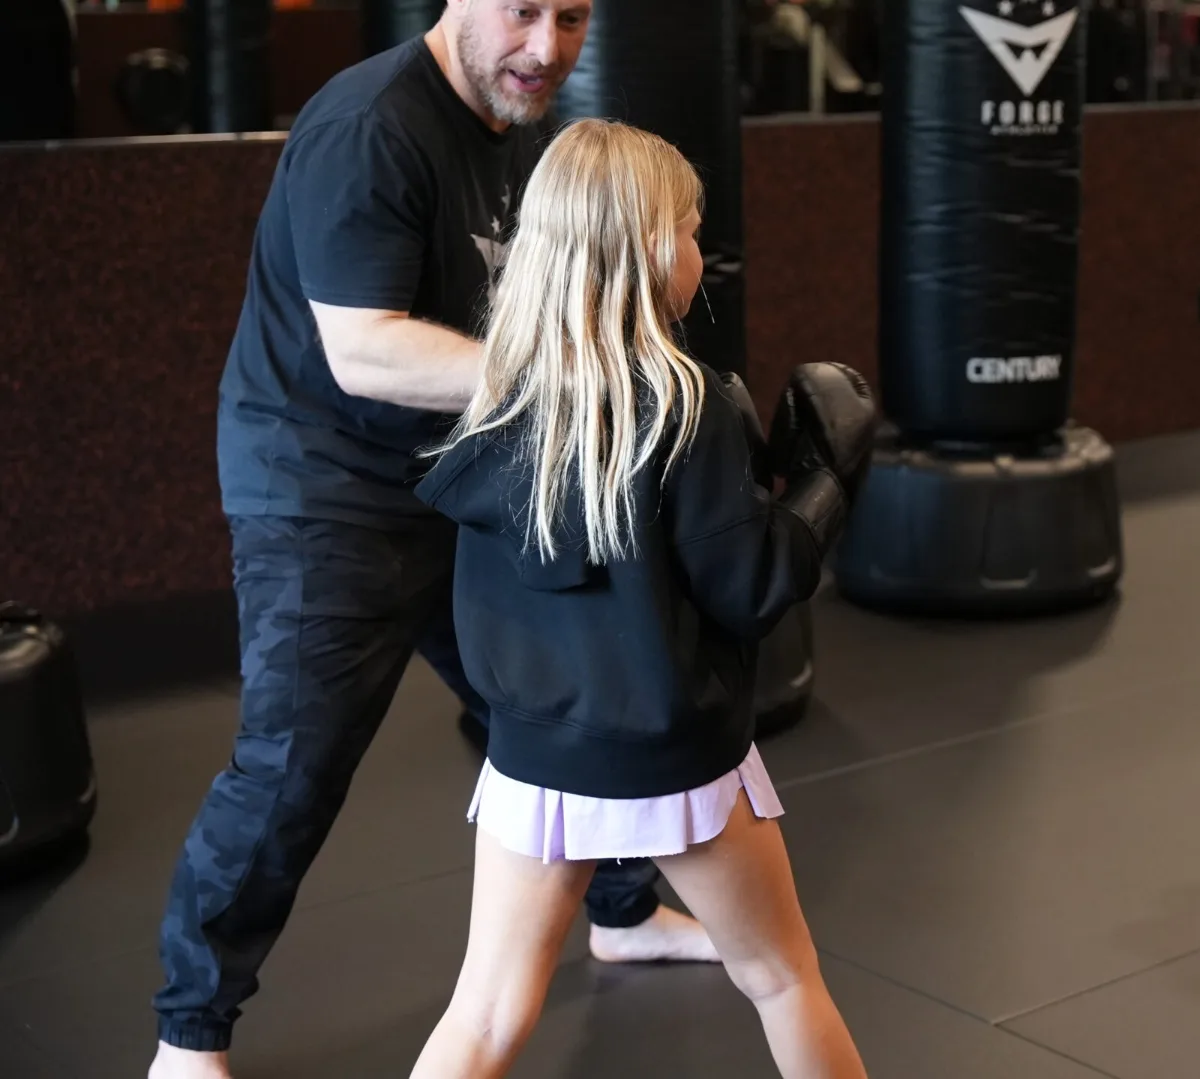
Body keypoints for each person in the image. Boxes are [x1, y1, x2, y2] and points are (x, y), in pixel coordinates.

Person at [151, 5, 722, 1077]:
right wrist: (583, 375)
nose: (548, 46)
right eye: (522, 10)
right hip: (323, 488)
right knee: (292, 767)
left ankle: (620, 905)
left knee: (555, 700)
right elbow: (364, 350)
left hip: (448, 473)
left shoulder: (507, 134)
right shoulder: (373, 127)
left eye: (572, 15)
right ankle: (188, 1034)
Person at [407, 119, 871, 1079]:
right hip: (672, 764)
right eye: (692, 228)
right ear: (656, 247)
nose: (700, 249)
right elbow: (752, 589)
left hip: (532, 761)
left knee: (485, 1014)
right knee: (783, 975)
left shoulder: (502, 402)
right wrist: (826, 483)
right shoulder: (690, 404)